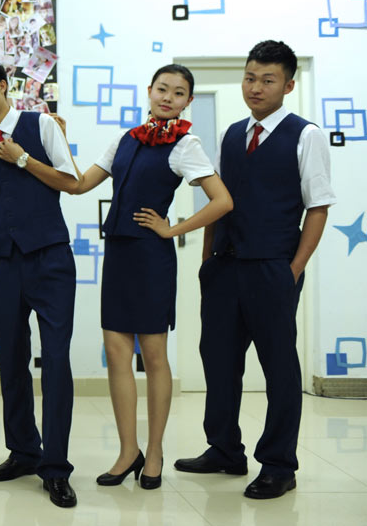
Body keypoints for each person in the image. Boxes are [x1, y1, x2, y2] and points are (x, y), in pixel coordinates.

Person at [175, 40, 335, 499]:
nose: (256, 87)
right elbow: (216, 202)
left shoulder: (306, 135)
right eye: (250, 78)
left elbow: (318, 207)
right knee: (219, 362)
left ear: (288, 84)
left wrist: (293, 270)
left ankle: (279, 465)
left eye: (267, 80)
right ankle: (224, 449)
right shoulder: (230, 135)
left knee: (279, 369)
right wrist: (207, 261)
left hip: (272, 268)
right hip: (225, 269)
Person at [63, 64, 233, 490]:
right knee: (117, 355)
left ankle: (154, 451)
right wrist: (58, 139)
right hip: (118, 255)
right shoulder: (126, 139)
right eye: (162, 89)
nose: (168, 97)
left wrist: (172, 229)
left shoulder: (185, 144)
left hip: (151, 258)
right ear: (149, 91)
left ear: (187, 101)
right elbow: (80, 184)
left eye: (178, 93)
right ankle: (128, 451)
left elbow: (222, 201)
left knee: (154, 356)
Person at [0, 54, 79, 509]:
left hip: (50, 259)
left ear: (3, 85)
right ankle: (24, 451)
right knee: (11, 360)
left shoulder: (41, 126)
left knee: (57, 362)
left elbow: (70, 180)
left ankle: (56, 467)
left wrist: (23, 159)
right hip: (2, 265)